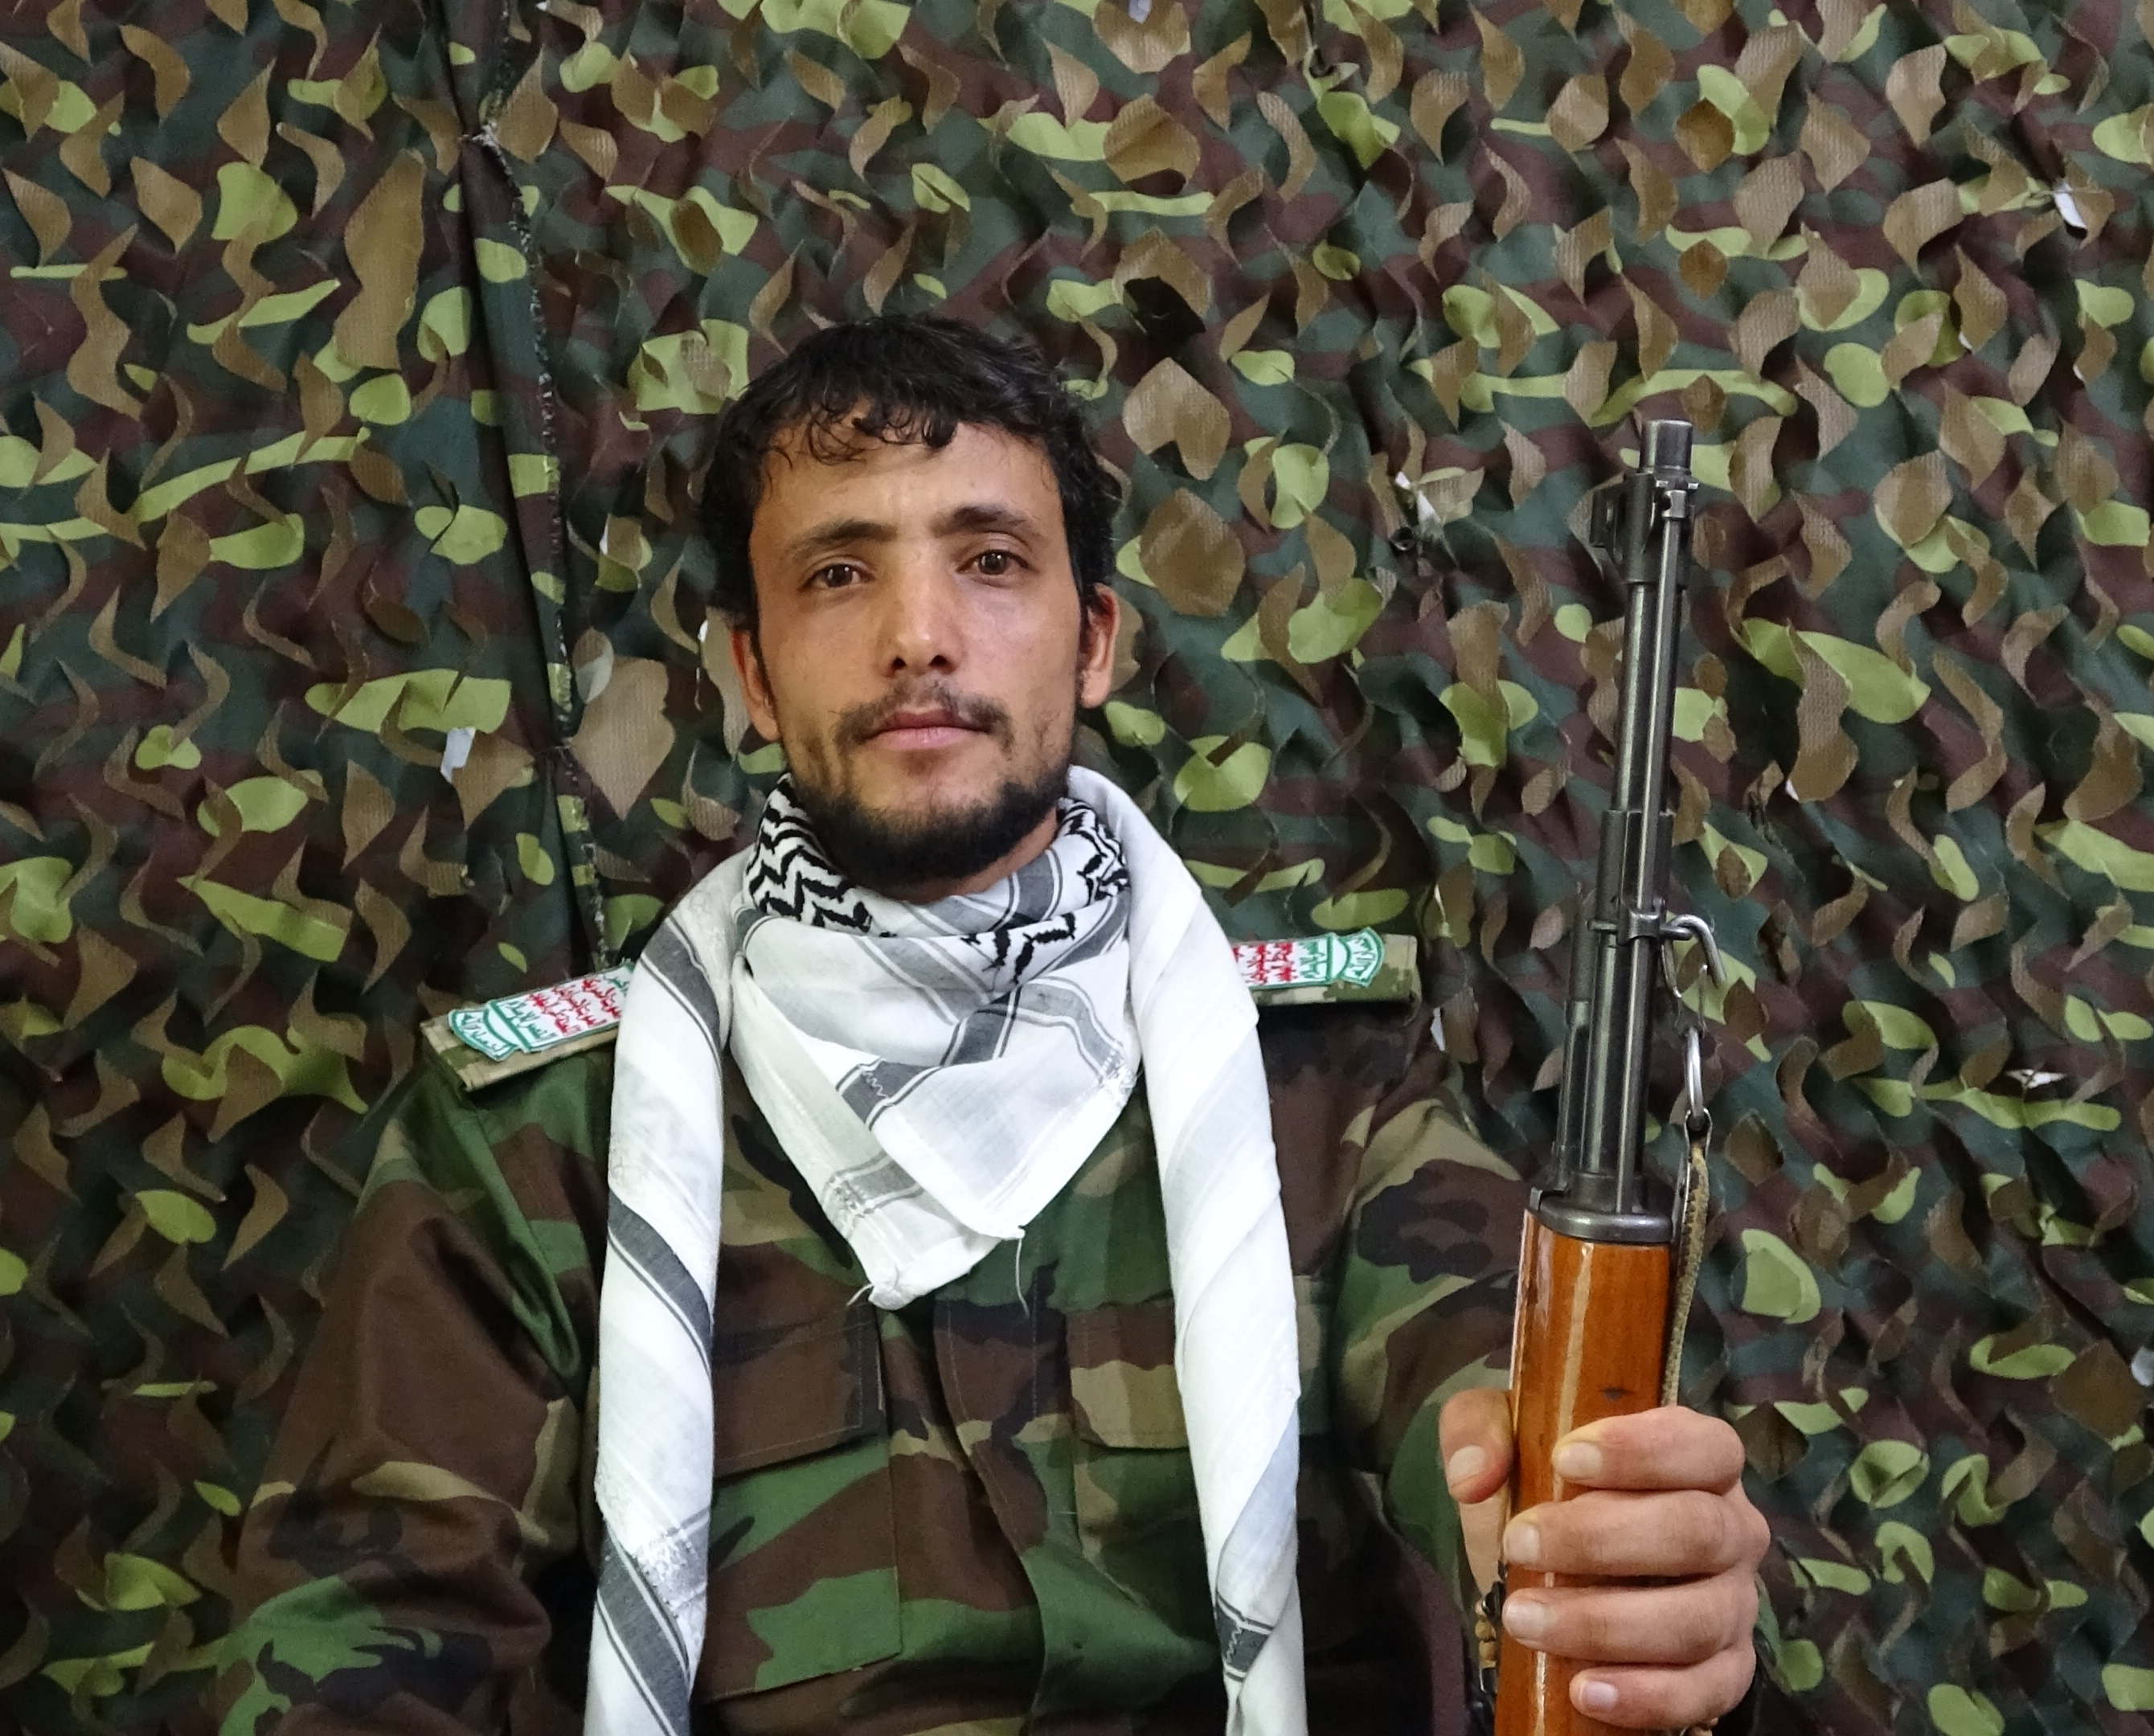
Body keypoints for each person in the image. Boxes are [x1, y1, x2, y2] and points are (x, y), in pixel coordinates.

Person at [221, 317, 1770, 1734]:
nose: (920, 635)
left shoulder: (1319, 1088)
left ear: (1093, 641)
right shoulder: (542, 1143)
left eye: (990, 561)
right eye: (839, 573)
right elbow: (357, 1648)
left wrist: (1582, 1542)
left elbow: (1483, 1393)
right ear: (751, 672)